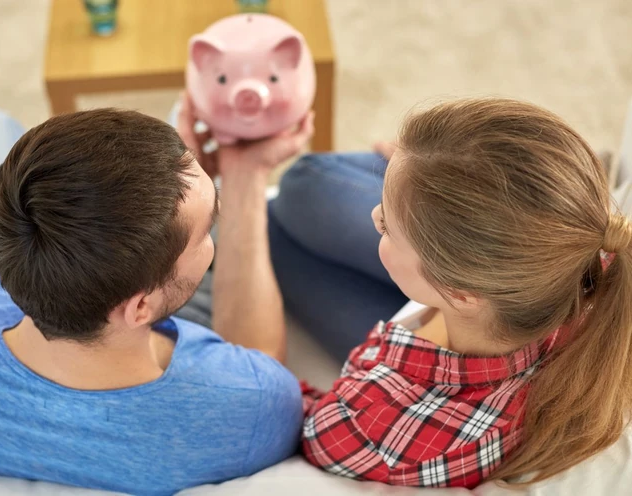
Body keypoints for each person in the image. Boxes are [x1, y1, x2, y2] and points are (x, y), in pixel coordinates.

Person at [0, 102, 314, 495]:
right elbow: (258, 366)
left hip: (76, 303)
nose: (212, 229)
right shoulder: (253, 403)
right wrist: (244, 179)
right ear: (141, 307)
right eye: (207, 229)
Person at [270, 98, 632, 487]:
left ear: (460, 292)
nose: (374, 217)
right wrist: (425, 177)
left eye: (387, 227)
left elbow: (273, 405)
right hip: (476, 330)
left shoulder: (368, 424)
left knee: (278, 218)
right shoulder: (579, 269)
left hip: (426, 361)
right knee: (299, 195)